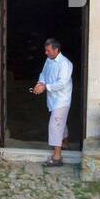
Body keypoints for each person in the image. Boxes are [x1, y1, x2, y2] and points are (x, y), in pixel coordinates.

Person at [33, 37, 73, 167]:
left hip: (62, 98)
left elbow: (62, 83)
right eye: (46, 50)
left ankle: (57, 157)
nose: (46, 53)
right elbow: (43, 73)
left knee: (54, 125)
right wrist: (40, 83)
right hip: (53, 99)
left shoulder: (65, 64)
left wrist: (45, 87)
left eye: (48, 50)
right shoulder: (49, 60)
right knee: (60, 121)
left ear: (56, 50)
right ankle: (65, 142)